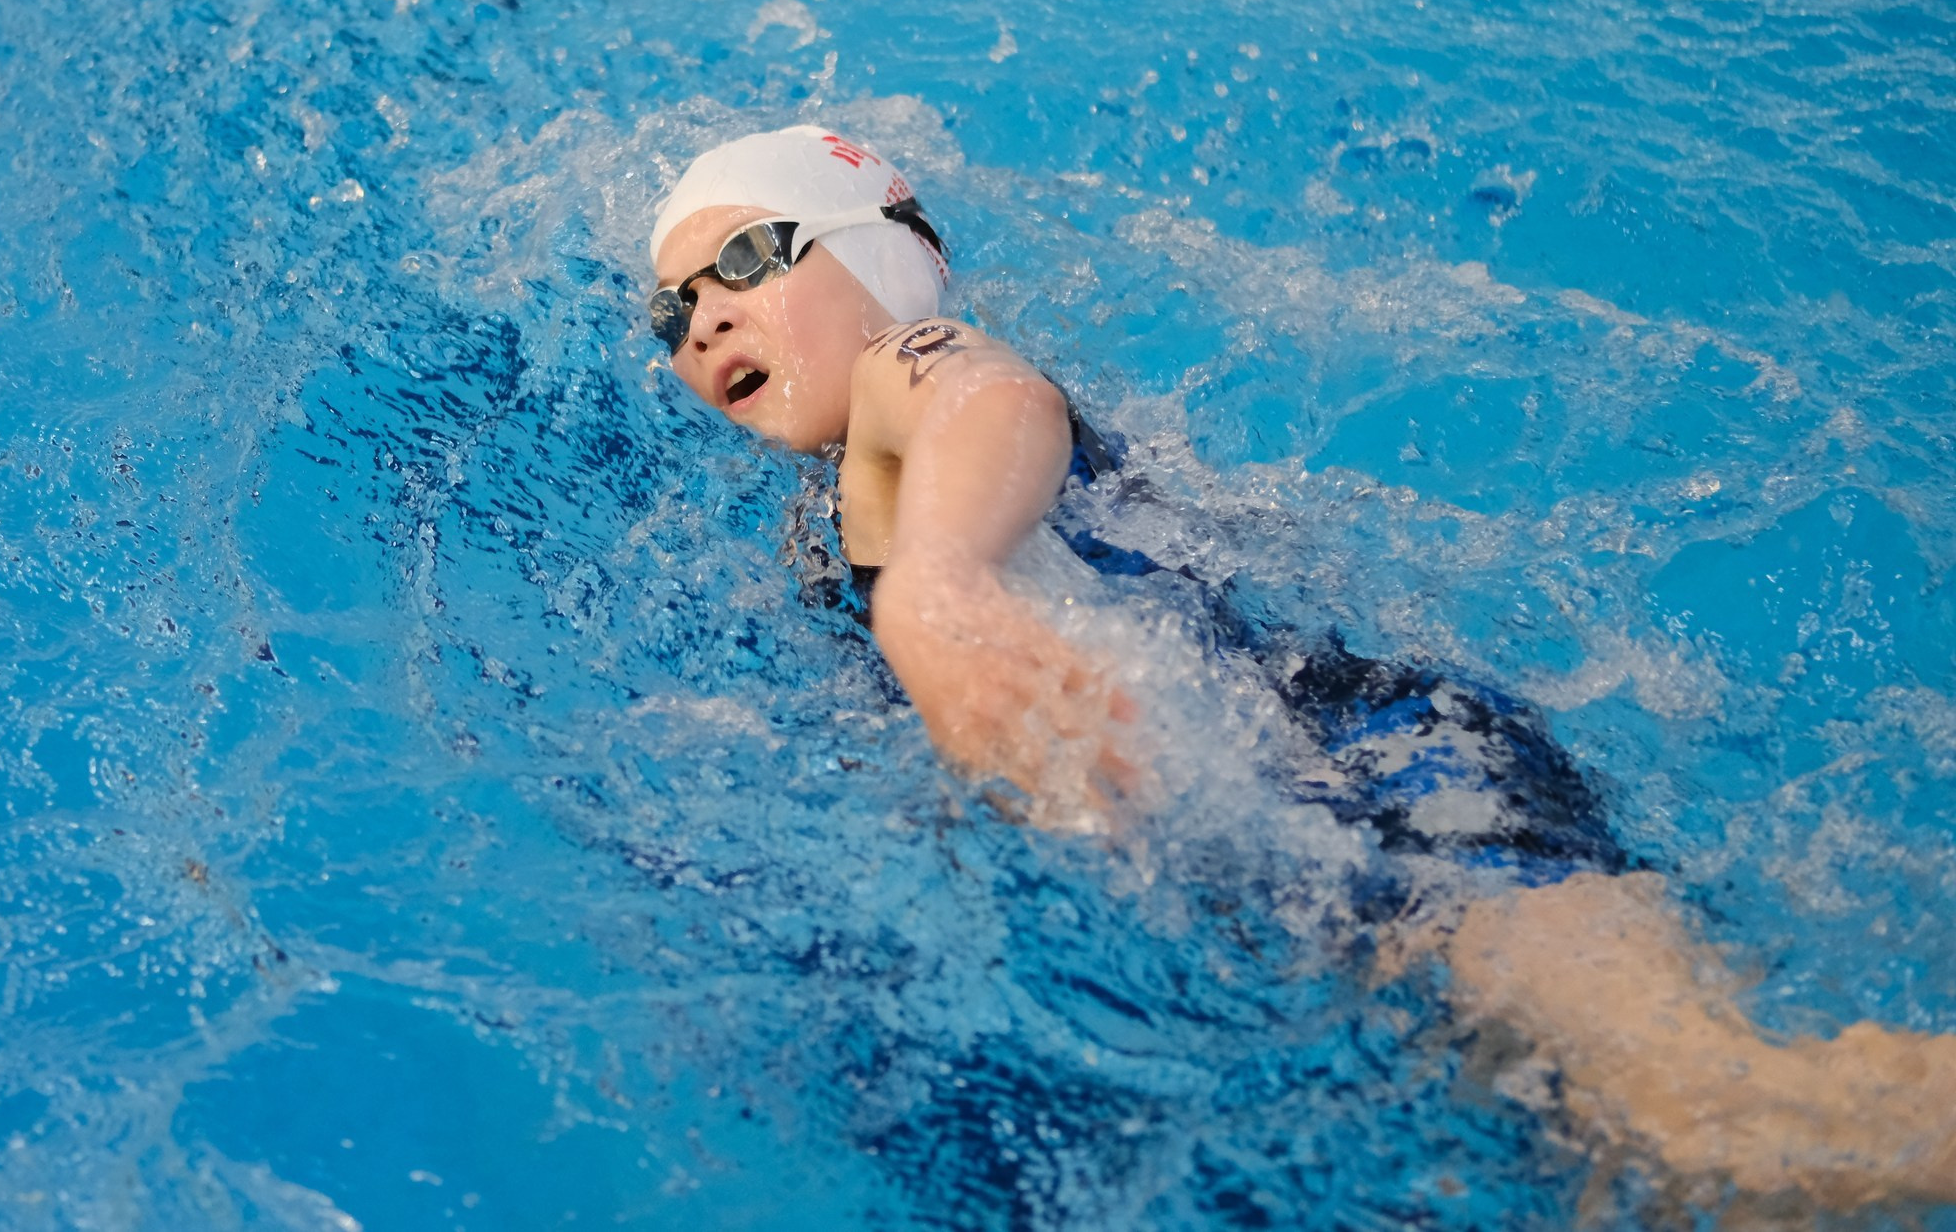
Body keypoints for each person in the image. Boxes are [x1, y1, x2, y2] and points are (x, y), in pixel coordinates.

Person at [643, 123, 1956, 1209]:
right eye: (675, 311)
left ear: (881, 249)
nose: (704, 323)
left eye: (749, 260)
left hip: (1386, 773)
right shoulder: (829, 518)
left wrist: (940, 586)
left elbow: (992, 399)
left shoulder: (905, 377)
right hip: (1316, 822)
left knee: (1739, 1126)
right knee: (1637, 1171)